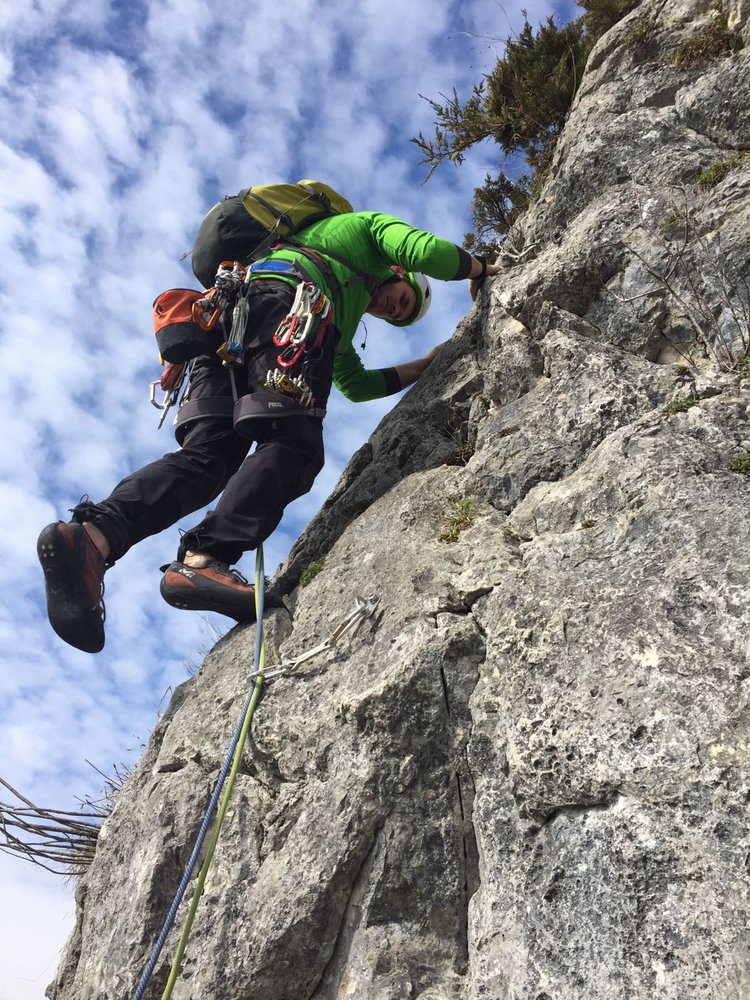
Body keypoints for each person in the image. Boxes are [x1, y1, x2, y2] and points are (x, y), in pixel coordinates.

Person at [37, 208, 501, 653]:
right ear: (399, 272)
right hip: (286, 311)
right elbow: (428, 251)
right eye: (400, 300)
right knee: (294, 445)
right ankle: (205, 559)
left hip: (223, 323)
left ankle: (91, 539)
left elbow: (355, 385)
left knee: (209, 458)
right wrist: (482, 269)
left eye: (394, 316)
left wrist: (425, 364)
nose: (389, 308)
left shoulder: (340, 305)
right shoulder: (365, 231)